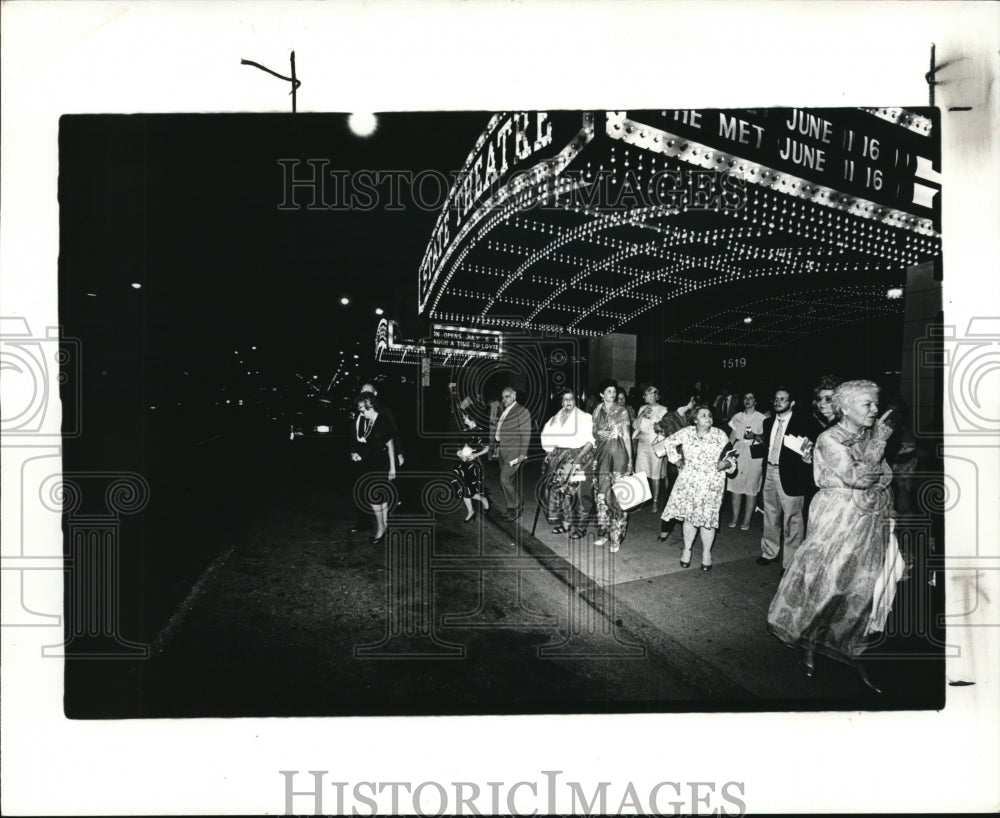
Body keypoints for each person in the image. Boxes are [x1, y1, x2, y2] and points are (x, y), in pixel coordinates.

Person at [767, 380, 902, 693]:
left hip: (870, 520)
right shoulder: (829, 438)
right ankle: (810, 642)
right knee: (829, 582)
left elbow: (884, 476)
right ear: (845, 407)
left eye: (874, 403)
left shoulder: (868, 435)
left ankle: (848, 647)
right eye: (867, 404)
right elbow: (859, 477)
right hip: (838, 516)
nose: (875, 410)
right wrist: (879, 441)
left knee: (862, 588)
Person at [660, 405, 737, 571]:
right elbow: (668, 442)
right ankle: (687, 551)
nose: (708, 418)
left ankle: (706, 553)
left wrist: (727, 464)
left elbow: (731, 457)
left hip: (712, 483)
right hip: (690, 481)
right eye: (703, 415)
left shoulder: (720, 435)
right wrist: (676, 460)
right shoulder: (687, 432)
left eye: (710, 415)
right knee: (690, 517)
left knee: (707, 520)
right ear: (695, 419)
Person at [750, 387, 818, 571]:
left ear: (792, 403)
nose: (778, 402)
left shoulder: (804, 422)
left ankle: (790, 563)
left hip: (792, 477)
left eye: (783, 399)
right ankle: (769, 552)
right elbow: (768, 446)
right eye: (776, 398)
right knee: (770, 514)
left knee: (793, 520)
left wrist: (808, 458)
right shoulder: (768, 422)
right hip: (770, 472)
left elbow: (812, 449)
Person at [539, 388, 595, 535]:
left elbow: (591, 441)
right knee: (560, 492)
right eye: (565, 399)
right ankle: (566, 524)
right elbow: (548, 436)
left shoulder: (584, 417)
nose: (568, 402)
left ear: (575, 401)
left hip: (579, 456)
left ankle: (581, 528)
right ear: (562, 402)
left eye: (571, 399)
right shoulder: (556, 418)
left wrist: (579, 457)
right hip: (560, 457)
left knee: (579, 494)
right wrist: (549, 452)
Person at [588, 379, 634, 552]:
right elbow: (594, 433)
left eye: (614, 391)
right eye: (608, 391)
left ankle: (616, 537)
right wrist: (599, 433)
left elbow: (627, 436)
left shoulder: (622, 411)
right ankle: (604, 533)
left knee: (619, 496)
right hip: (601, 455)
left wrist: (630, 461)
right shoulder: (597, 410)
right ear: (602, 394)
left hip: (619, 454)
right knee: (601, 495)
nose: (612, 394)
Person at [349, 393, 397, 543]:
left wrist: (392, 468)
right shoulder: (368, 421)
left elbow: (390, 445)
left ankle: (381, 529)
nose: (361, 413)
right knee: (380, 498)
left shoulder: (382, 421)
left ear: (370, 405)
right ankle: (384, 527)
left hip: (381, 464)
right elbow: (366, 445)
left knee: (374, 497)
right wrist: (358, 454)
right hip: (371, 464)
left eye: (362, 410)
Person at [653, 393, 696, 541]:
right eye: (692, 399)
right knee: (672, 494)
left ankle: (688, 527)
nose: (694, 402)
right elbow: (672, 439)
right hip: (676, 461)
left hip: (693, 462)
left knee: (690, 496)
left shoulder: (693, 415)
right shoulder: (669, 417)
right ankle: (666, 527)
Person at [725, 392, 766, 531]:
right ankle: (735, 517)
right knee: (735, 485)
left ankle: (747, 520)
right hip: (739, 450)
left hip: (755, 452)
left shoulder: (762, 418)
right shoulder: (737, 417)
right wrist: (726, 454)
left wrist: (756, 436)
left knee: (751, 487)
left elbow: (766, 440)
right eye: (745, 398)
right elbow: (731, 437)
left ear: (756, 401)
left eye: (751, 398)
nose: (748, 400)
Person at [490, 387, 532, 520]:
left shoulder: (522, 411)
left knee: (505, 479)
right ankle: (513, 505)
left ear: (514, 397)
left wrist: (522, 454)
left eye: (507, 397)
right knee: (508, 480)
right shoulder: (506, 411)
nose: (504, 400)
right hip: (503, 451)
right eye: (503, 397)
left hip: (514, 453)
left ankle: (515, 507)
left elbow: (526, 434)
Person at [632, 386, 669, 512]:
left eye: (646, 395)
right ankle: (640, 501)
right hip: (642, 443)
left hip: (655, 445)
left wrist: (660, 429)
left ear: (653, 395)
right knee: (639, 473)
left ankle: (655, 502)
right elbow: (635, 425)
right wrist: (642, 414)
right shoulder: (642, 408)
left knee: (655, 474)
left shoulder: (663, 410)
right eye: (644, 395)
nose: (644, 397)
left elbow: (666, 430)